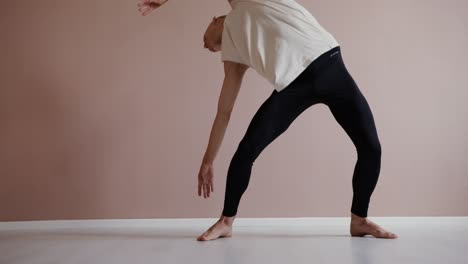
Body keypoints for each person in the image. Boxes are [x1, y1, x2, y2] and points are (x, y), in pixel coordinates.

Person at [137, 0, 398, 241]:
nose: (206, 46)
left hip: (331, 66)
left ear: (215, 19)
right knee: (246, 150)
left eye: (204, 39)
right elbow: (223, 112)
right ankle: (226, 221)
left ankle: (359, 219)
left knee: (371, 147)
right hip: (293, 87)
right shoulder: (233, 58)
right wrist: (208, 159)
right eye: (210, 49)